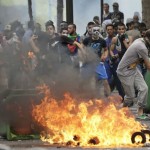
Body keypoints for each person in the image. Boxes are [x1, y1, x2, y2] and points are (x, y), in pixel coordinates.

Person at [117, 29, 150, 118]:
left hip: (133, 68)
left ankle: (140, 112)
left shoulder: (141, 40)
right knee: (130, 98)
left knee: (144, 88)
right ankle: (117, 111)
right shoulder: (141, 46)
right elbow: (148, 66)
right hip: (124, 71)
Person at [82, 24, 111, 97]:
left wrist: (105, 56)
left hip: (98, 63)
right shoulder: (87, 40)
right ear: (91, 31)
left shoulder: (102, 41)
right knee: (90, 81)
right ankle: (91, 99)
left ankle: (110, 99)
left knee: (105, 81)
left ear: (100, 31)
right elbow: (81, 47)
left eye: (98, 30)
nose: (96, 32)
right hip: (88, 63)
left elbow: (106, 50)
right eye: (94, 30)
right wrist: (84, 54)